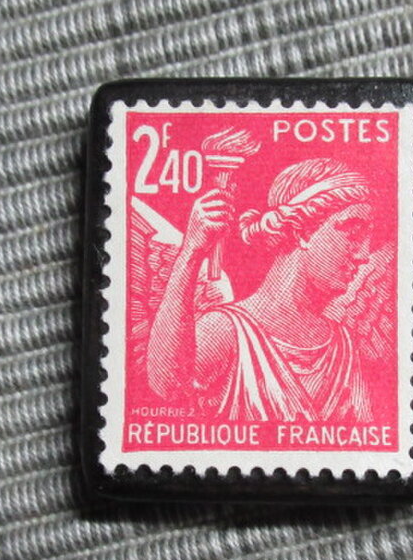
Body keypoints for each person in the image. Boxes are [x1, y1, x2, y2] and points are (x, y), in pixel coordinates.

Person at [146, 158, 374, 423]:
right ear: (303, 232)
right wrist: (192, 251)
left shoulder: (343, 344)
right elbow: (169, 388)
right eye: (353, 234)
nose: (364, 255)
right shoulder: (225, 329)